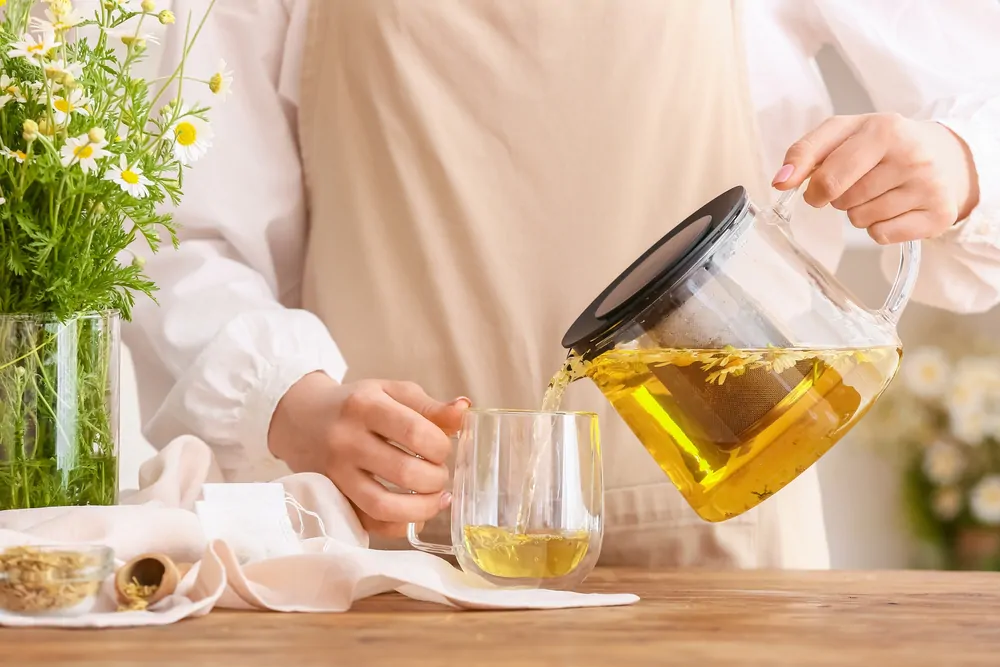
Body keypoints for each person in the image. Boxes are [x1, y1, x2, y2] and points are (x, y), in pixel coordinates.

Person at [126, 0, 1000, 569]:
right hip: (394, 558)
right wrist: (294, 404)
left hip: (732, 554)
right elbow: (179, 228)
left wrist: (959, 167)